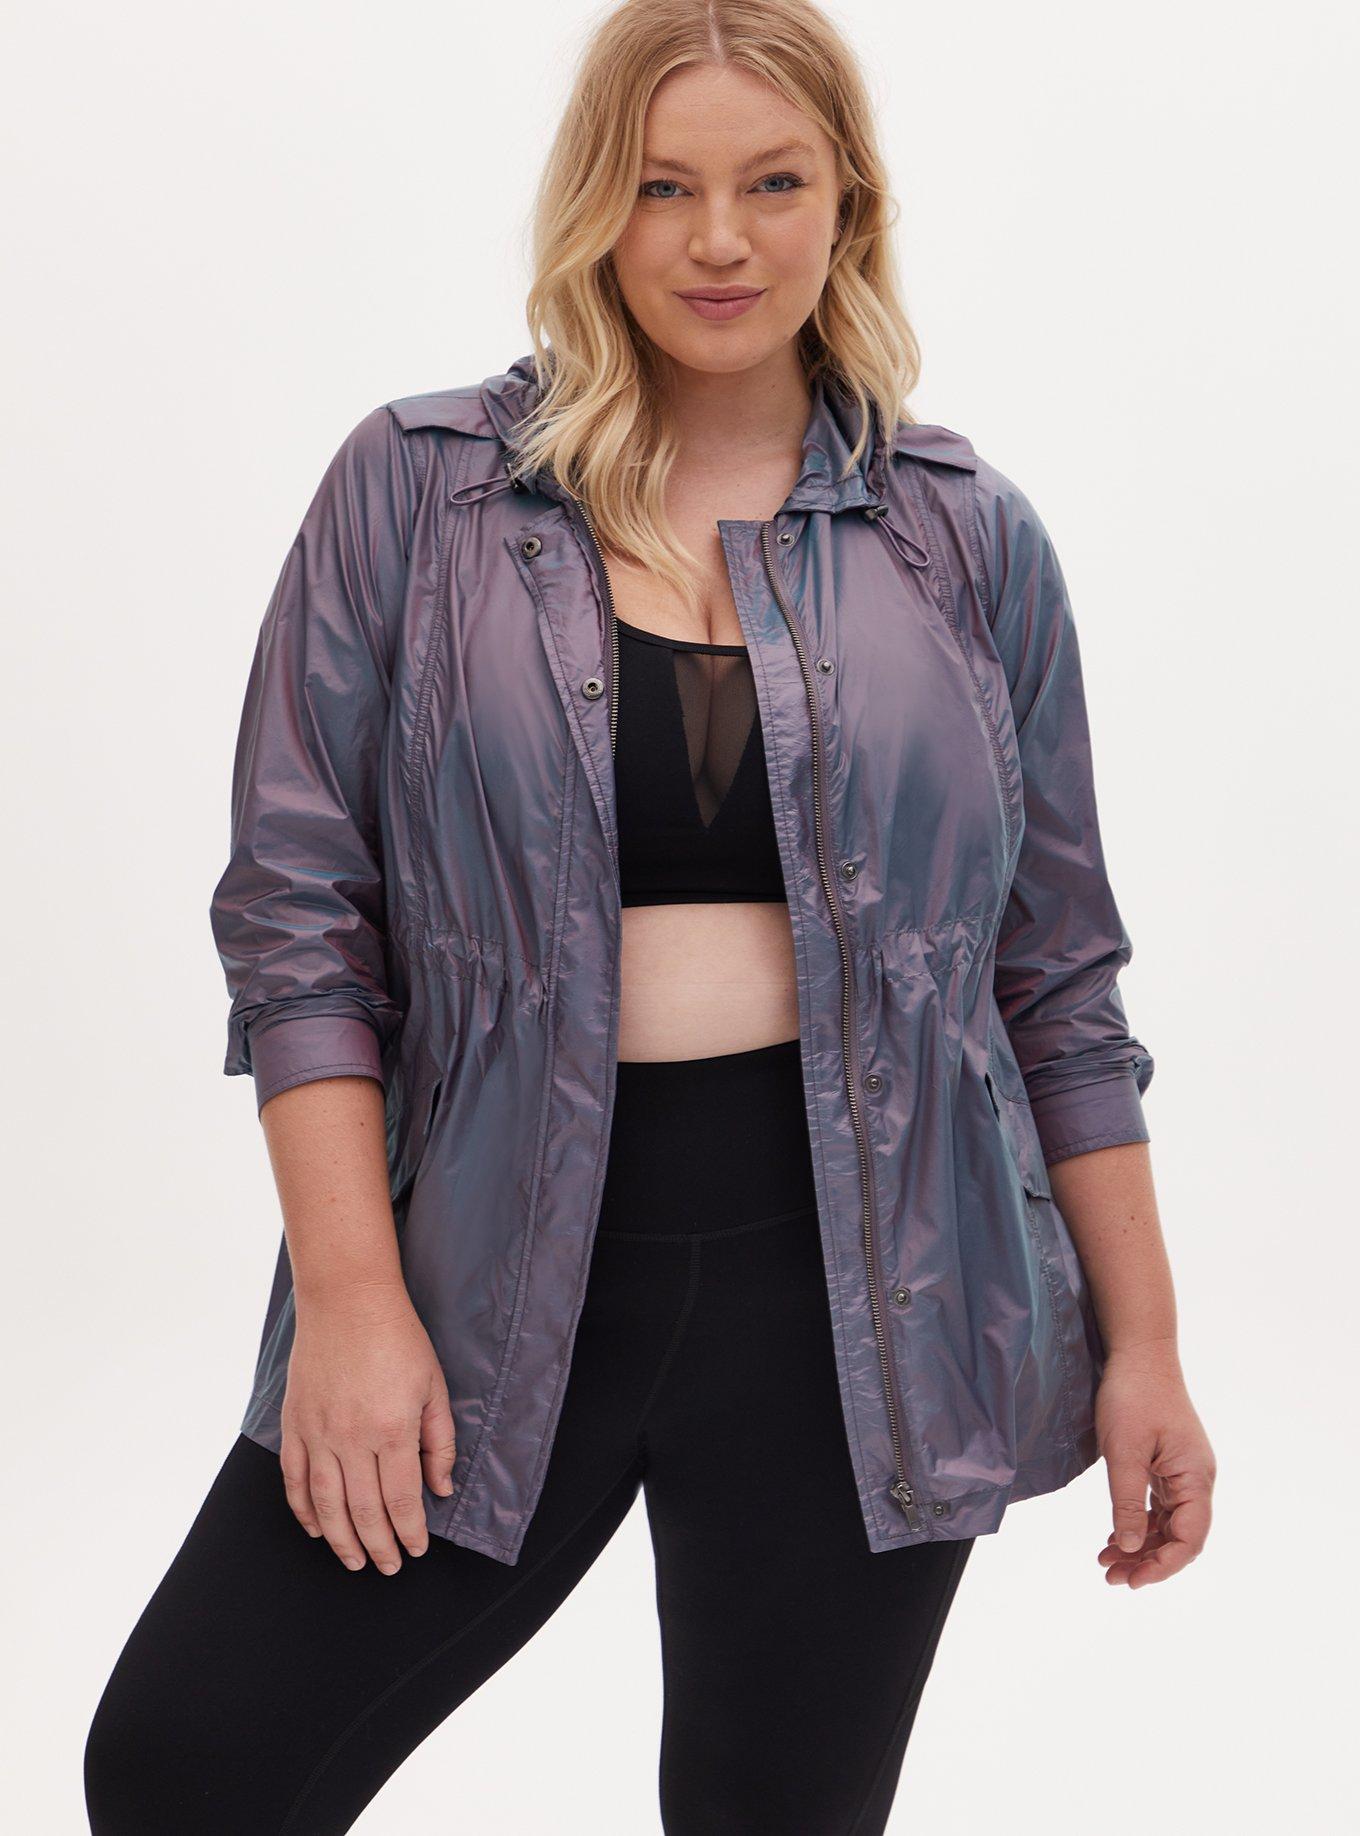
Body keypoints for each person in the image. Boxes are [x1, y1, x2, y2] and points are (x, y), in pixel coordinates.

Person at [84, 1, 1216, 1830]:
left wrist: (1145, 1343)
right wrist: (354, 1308)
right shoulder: (422, 492)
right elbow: (300, 928)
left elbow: (1059, 982)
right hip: (487, 1267)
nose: (718, 239)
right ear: (594, 203)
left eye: (774, 183)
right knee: (188, 1762)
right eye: (663, 185)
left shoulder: (964, 538)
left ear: (848, 203)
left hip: (870, 1297)